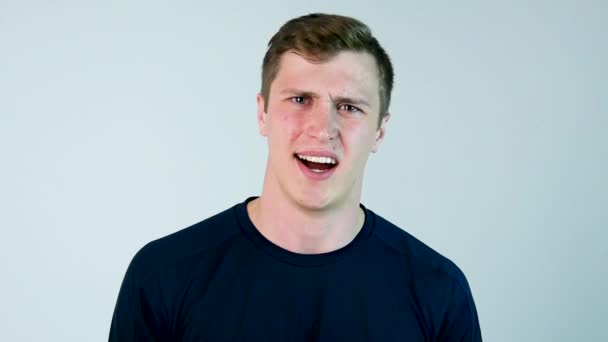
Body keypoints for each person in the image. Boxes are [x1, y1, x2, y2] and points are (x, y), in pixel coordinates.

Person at [109, 13, 482, 341]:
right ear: (262, 113)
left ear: (380, 132)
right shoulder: (163, 275)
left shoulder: (438, 291)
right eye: (300, 99)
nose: (323, 129)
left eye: (349, 107)